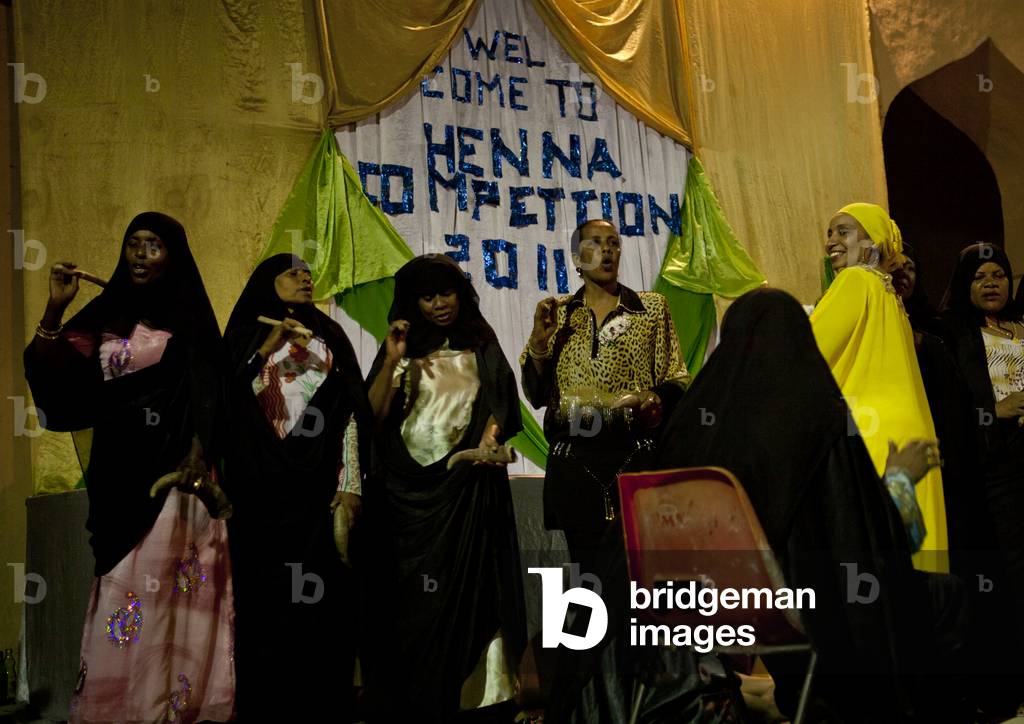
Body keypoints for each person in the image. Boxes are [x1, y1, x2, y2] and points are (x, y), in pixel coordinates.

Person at [659, 287, 970, 722]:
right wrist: (900, 479)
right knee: (945, 594)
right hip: (792, 608)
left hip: (689, 608)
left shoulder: (689, 425)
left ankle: (786, 695)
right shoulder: (817, 417)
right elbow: (869, 543)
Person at [24, 212, 235, 723]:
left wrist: (196, 455)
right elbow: (55, 374)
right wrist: (55, 306)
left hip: (177, 479)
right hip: (119, 472)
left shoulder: (190, 318)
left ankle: (177, 705)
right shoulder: (106, 313)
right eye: (133, 244)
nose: (140, 255)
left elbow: (211, 392)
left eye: (153, 246)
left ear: (173, 256)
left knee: (171, 587)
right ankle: (121, 707)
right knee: (125, 583)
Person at [362, 254, 526, 723]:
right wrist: (393, 359)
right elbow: (371, 418)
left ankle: (476, 700)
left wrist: (487, 444)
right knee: (412, 606)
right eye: (428, 296)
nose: (439, 305)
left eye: (446, 293)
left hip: (467, 493)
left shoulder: (480, 341)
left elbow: (501, 402)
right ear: (413, 302)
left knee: (470, 597)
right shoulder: (401, 347)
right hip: (404, 502)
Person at [221, 254, 370, 721]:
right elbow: (222, 403)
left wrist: (350, 485)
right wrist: (267, 347)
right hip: (259, 495)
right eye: (292, 273)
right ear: (268, 284)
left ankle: (325, 704)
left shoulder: (330, 339)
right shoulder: (247, 339)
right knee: (264, 604)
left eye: (308, 272)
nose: (304, 278)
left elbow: (351, 415)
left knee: (323, 601)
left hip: (317, 493)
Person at [521, 218, 690, 572]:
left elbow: (677, 378)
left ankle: (635, 629)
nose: (607, 251)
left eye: (613, 243)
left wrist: (654, 398)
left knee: (642, 570)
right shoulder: (559, 314)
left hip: (635, 456)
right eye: (595, 243)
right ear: (576, 257)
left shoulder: (649, 309)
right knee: (587, 572)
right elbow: (536, 395)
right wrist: (539, 342)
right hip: (575, 462)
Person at [812, 203, 947, 571]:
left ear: (873, 242)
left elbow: (807, 354)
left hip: (872, 437)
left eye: (844, 231)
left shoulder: (855, 281)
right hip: (908, 436)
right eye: (829, 233)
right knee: (916, 564)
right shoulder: (890, 295)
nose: (831, 242)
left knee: (872, 569)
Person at [939, 243, 1024, 713]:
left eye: (999, 274)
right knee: (1009, 577)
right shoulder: (953, 337)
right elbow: (950, 412)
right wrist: (995, 412)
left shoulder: (1023, 328)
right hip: (994, 474)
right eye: (980, 277)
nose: (992, 283)